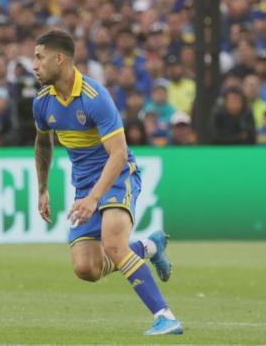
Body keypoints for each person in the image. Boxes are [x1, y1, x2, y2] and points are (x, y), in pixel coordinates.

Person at [31, 30, 182, 336]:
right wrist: (43, 187)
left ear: (59, 59)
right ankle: (149, 247)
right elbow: (43, 143)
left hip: (116, 175)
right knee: (86, 269)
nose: (34, 65)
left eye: (39, 57)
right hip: (85, 184)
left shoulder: (95, 97)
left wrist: (94, 199)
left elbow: (118, 153)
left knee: (113, 245)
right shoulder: (42, 102)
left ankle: (165, 316)